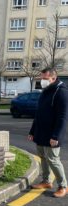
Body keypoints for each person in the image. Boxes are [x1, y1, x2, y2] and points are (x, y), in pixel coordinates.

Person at [28, 67, 68, 198]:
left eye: (45, 79)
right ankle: (46, 181)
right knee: (43, 157)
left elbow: (63, 117)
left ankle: (63, 186)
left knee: (53, 159)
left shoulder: (61, 92)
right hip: (40, 133)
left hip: (52, 134)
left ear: (53, 78)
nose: (42, 81)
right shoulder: (45, 91)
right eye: (41, 78)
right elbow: (38, 114)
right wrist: (32, 131)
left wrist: (56, 135)